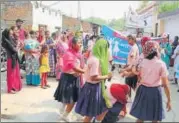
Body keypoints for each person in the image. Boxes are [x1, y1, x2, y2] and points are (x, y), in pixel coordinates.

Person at [130, 41, 171, 122]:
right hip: (155, 92)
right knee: (155, 117)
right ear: (156, 50)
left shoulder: (142, 61)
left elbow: (137, 73)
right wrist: (169, 100)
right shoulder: (161, 64)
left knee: (140, 117)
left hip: (142, 90)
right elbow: (165, 84)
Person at [75, 38, 113, 123]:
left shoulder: (95, 58)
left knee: (96, 111)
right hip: (92, 88)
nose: (107, 51)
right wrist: (107, 76)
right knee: (90, 113)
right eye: (106, 48)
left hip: (94, 87)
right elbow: (93, 77)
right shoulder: (96, 60)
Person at [54, 36, 86, 122]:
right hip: (69, 79)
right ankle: (65, 115)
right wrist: (85, 71)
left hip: (75, 78)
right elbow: (74, 67)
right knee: (72, 100)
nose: (81, 45)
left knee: (74, 99)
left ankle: (70, 113)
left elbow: (79, 65)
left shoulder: (77, 53)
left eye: (81, 43)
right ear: (73, 44)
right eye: (79, 43)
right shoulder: (69, 54)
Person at [2, 28, 22, 94]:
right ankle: (10, 89)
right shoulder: (6, 41)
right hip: (11, 59)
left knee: (15, 74)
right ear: (7, 34)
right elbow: (14, 49)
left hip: (14, 58)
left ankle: (14, 87)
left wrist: (19, 45)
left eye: (11, 34)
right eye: (10, 34)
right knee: (11, 74)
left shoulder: (10, 39)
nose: (11, 35)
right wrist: (18, 46)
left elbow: (15, 47)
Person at [120, 34, 139, 99]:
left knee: (129, 85)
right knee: (130, 85)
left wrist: (125, 70)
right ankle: (129, 98)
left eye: (128, 40)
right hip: (131, 68)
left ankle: (129, 99)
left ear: (132, 39)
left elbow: (132, 61)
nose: (127, 41)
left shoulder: (134, 48)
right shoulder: (134, 47)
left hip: (132, 69)